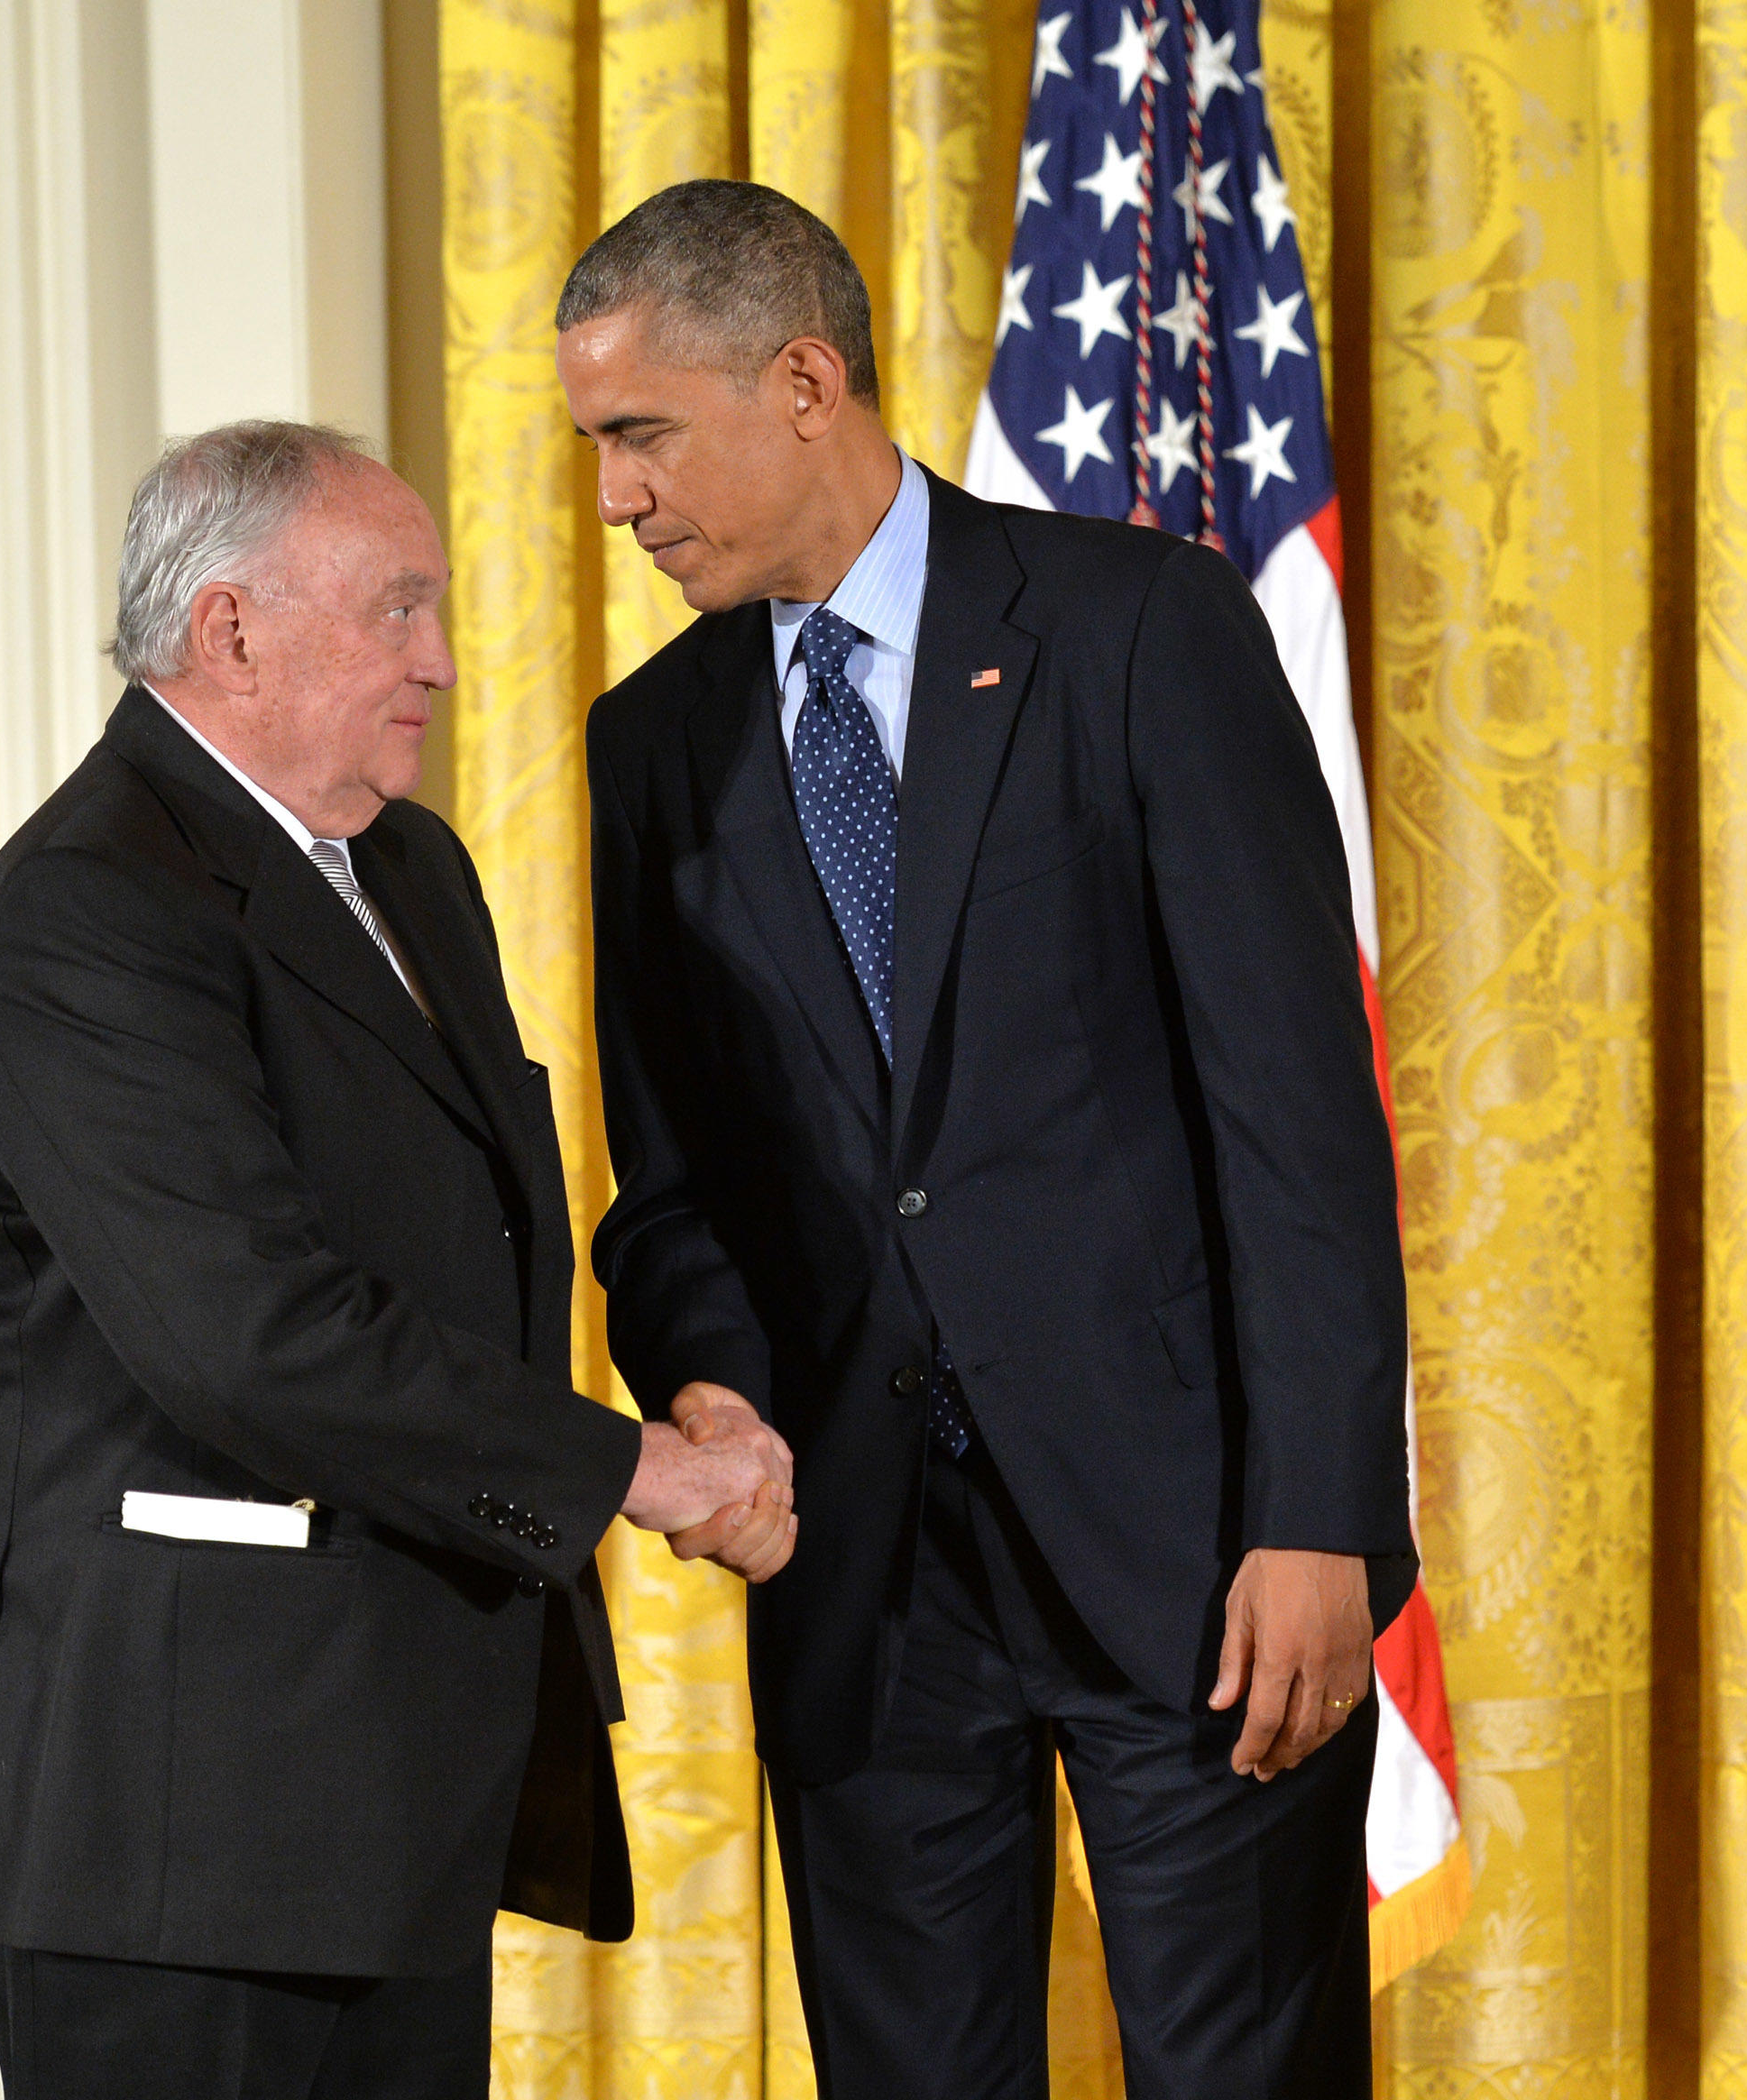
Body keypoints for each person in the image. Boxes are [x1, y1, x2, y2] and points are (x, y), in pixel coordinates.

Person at [556, 180, 1412, 2094]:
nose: (615, 498)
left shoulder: (1137, 629)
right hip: (866, 1583)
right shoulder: (653, 741)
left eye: (642, 434)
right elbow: (673, 1184)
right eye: (598, 447)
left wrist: (1317, 1518)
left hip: (1196, 1555)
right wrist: (713, 1389)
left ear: (803, 383)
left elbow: (1296, 1119)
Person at [0, 422, 794, 2097]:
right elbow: (252, 1338)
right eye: (398, 608)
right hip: (180, 1829)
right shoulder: (86, 909)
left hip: (396, 1797)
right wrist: (639, 1471)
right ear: (232, 629)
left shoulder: (411, 868)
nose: (443, 662)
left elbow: (479, 1242)